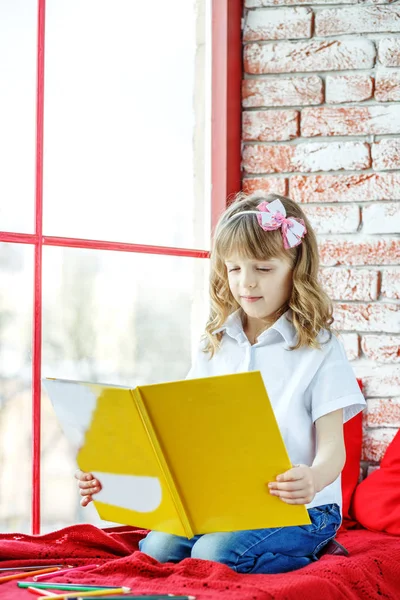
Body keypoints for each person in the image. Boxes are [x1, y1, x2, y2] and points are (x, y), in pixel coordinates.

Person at [75, 193, 366, 574]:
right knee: (156, 549)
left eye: (263, 269)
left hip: (304, 508)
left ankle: (317, 550)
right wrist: (113, 477)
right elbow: (179, 437)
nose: (246, 283)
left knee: (213, 554)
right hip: (224, 500)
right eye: (234, 269)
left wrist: (312, 477)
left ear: (295, 268)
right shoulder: (213, 344)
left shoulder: (320, 349)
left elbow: (333, 451)